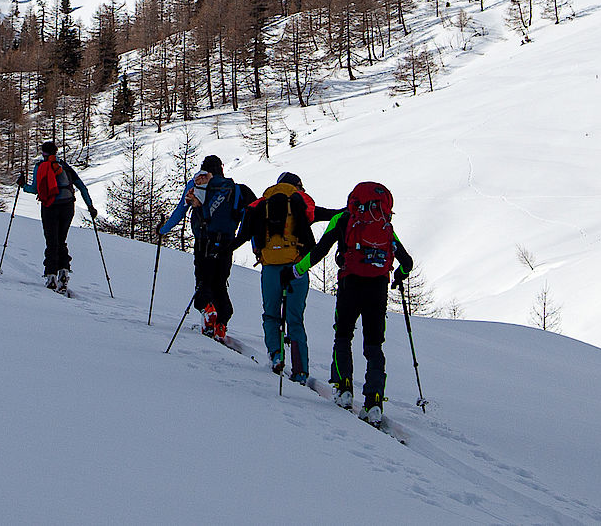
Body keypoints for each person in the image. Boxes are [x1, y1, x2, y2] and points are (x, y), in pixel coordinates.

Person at [295, 181, 413, 425]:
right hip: (378, 287)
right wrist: (399, 275)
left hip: (350, 284)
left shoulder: (342, 218)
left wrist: (296, 270)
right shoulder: (384, 223)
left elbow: (320, 251)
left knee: (343, 335)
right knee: (374, 344)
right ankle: (375, 400)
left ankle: (343, 387)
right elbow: (406, 261)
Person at [232, 172, 339, 383]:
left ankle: (276, 355)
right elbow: (324, 223)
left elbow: (243, 236)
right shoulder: (300, 204)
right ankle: (300, 370)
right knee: (295, 319)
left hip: (270, 267)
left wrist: (223, 251)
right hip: (296, 268)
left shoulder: (260, 205)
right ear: (297, 186)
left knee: (271, 315)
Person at [157, 155, 253, 340]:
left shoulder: (196, 185)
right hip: (226, 243)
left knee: (203, 280)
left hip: (203, 241)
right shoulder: (236, 189)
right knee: (220, 283)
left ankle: (207, 310)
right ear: (221, 168)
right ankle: (221, 323)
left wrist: (163, 229)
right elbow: (249, 217)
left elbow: (180, 211)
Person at [19, 140, 96, 293]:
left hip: (50, 207)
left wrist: (23, 186)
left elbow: (35, 189)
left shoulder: (40, 166)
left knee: (51, 240)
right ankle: (64, 272)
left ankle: (51, 275)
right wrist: (90, 207)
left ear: (43, 152)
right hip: (68, 207)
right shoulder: (65, 167)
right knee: (61, 240)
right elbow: (81, 187)